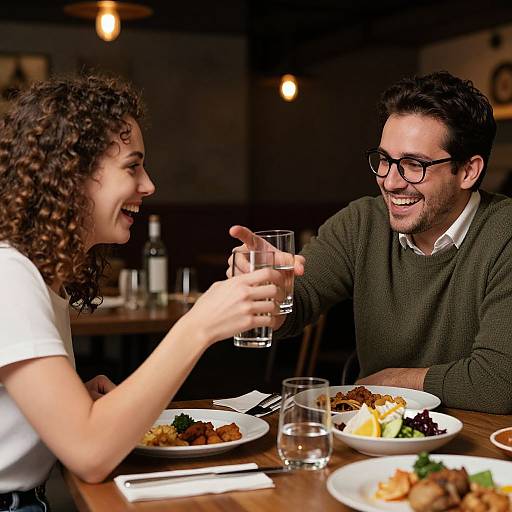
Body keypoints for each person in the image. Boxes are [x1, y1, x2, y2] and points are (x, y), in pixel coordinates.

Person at [0, 75, 282, 509]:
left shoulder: (33, 272)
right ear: (71, 174)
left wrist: (71, 398)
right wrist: (198, 325)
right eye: (133, 166)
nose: (148, 185)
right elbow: (90, 454)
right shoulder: (9, 274)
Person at [228, 71, 512, 414]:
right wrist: (269, 288)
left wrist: (390, 381)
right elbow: (297, 303)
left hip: (479, 450)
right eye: (384, 160)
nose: (390, 182)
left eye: (413, 165)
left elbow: (499, 382)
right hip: (369, 441)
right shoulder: (362, 222)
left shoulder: (504, 233)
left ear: (468, 171)